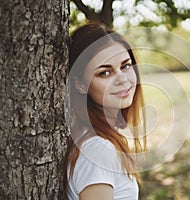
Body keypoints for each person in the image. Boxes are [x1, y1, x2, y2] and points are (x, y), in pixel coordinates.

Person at [64, 21, 147, 200]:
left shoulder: (91, 137)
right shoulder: (98, 150)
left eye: (125, 66)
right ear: (80, 84)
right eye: (105, 73)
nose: (122, 80)